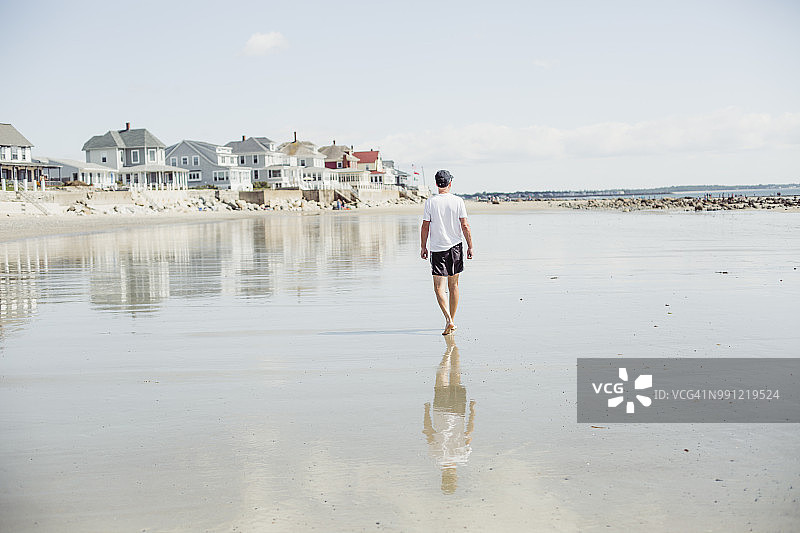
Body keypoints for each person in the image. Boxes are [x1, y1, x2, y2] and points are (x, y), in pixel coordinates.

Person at [420, 169, 473, 335]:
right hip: (455, 247)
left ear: (436, 184)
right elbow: (465, 225)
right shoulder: (458, 201)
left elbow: (425, 226)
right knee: (454, 285)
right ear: (450, 183)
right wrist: (470, 246)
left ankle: (449, 320)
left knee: (438, 287)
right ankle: (451, 321)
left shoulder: (430, 202)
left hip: (437, 249)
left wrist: (423, 246)